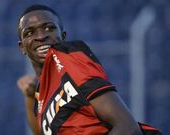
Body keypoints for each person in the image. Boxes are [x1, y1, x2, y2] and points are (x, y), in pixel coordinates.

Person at [17, 4, 161, 135]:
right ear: (22, 46)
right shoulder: (42, 95)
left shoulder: (70, 58)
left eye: (49, 28)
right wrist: (30, 97)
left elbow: (128, 127)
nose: (41, 36)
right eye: (29, 33)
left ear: (63, 36)